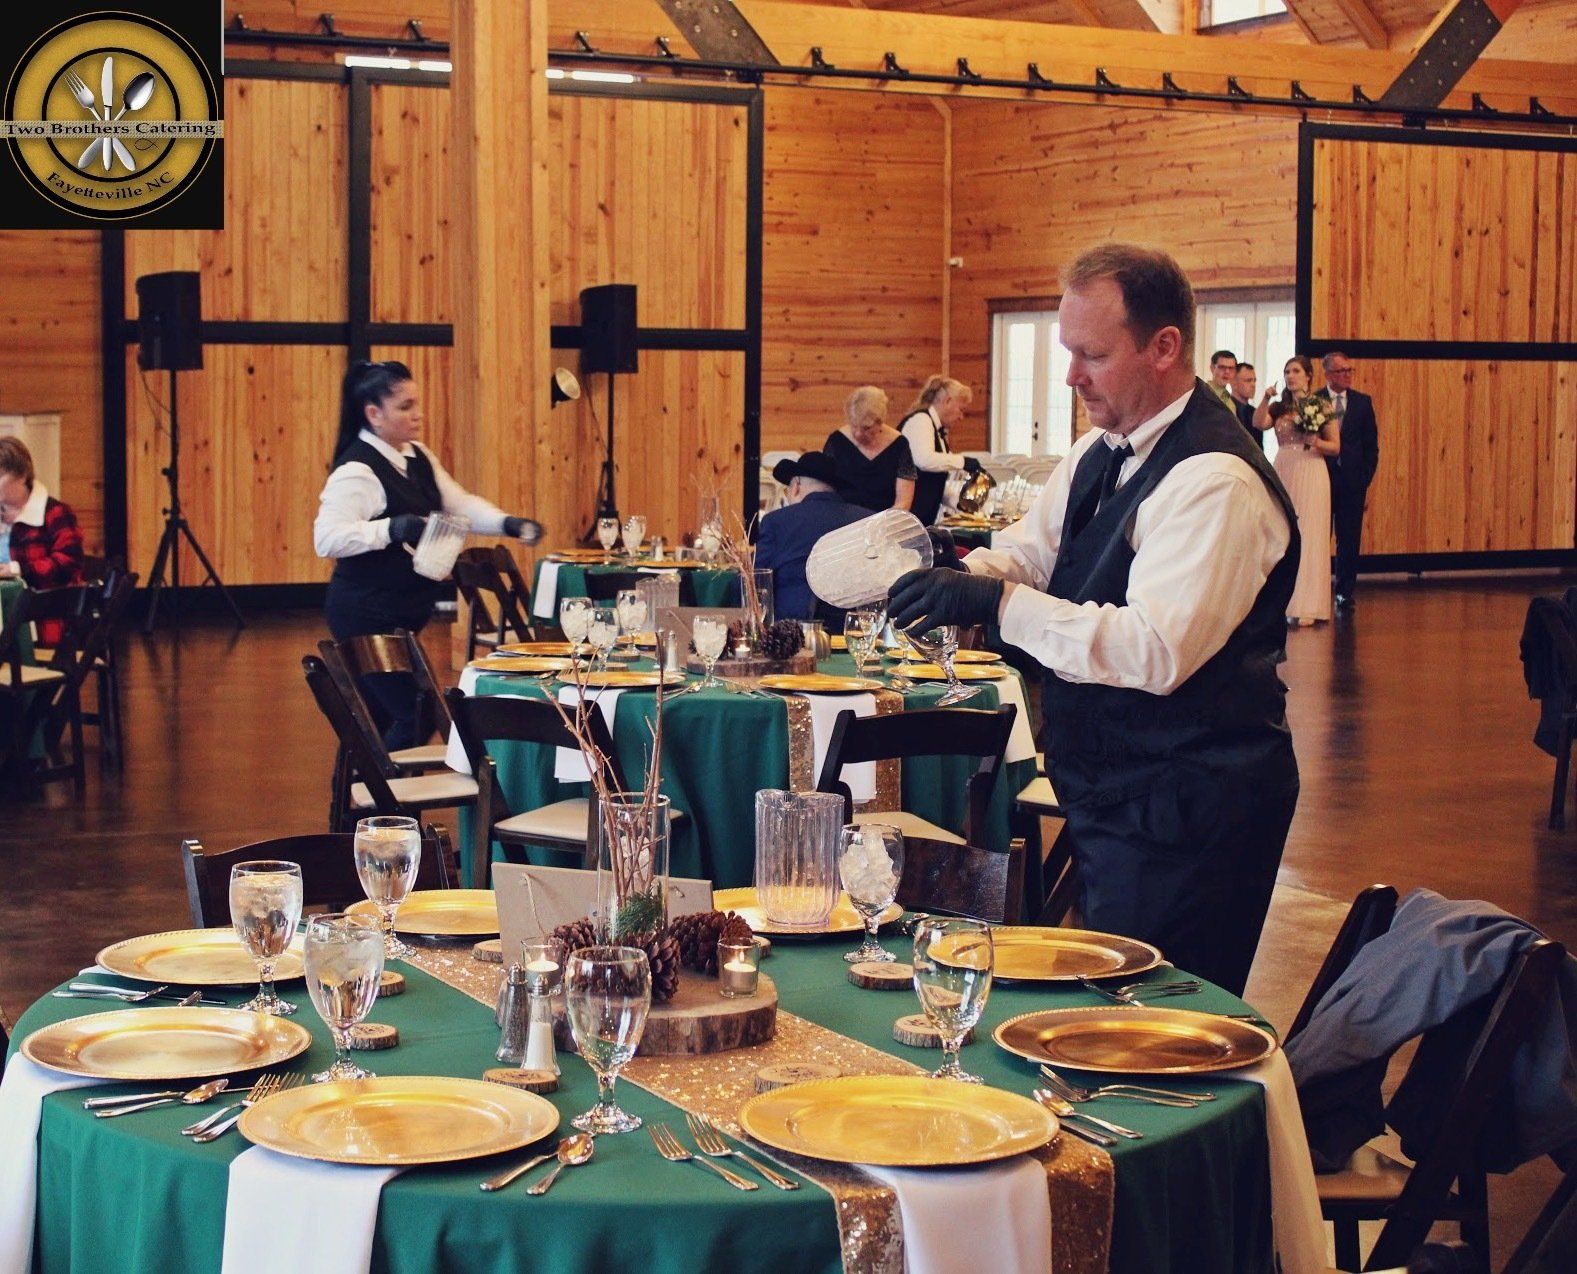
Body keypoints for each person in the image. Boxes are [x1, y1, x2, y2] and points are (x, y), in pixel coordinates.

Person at [885, 243, 1299, 995]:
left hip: (1194, 805)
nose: (1071, 376)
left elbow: (1155, 652)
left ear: (1164, 346)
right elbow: (1029, 552)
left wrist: (999, 607)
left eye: (1092, 355)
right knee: (1104, 1002)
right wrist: (963, 578)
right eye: (1066, 352)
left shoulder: (1216, 479)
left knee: (1155, 1030)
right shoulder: (1098, 453)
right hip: (1114, 787)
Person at [314, 359, 543, 749]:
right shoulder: (357, 471)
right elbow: (327, 539)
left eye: (416, 403)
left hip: (403, 612)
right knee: (417, 713)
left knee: (377, 720)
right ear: (374, 414)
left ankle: (364, 800)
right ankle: (386, 799)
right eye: (405, 407)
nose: (417, 415)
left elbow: (458, 504)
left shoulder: (417, 456)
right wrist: (392, 528)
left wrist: (506, 523)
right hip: (365, 612)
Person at [1255, 355, 1340, 627]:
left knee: (1311, 533)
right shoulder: (1280, 407)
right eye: (1287, 371)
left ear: (1307, 376)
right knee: (1283, 533)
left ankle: (1309, 604)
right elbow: (1259, 423)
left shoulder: (1320, 405)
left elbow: (1335, 446)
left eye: (1295, 371)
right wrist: (1266, 397)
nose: (1290, 376)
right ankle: (1284, 602)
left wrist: (1316, 441)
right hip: (1284, 466)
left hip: (1311, 468)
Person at [754, 451, 869, 627]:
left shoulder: (775, 521)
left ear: (796, 486)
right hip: (854, 630)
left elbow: (756, 581)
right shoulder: (866, 520)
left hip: (790, 633)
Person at [0, 436, 85, 645]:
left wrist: (18, 569)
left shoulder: (55, 513)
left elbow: (68, 562)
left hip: (43, 623)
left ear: (21, 476)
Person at [1318, 352, 1378, 611]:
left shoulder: (1362, 403)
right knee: (1320, 536)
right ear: (1328, 374)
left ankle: (1344, 591)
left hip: (1352, 481)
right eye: (1341, 371)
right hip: (1322, 478)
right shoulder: (1315, 401)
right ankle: (1317, 590)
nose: (1347, 375)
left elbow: (1371, 445)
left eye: (1349, 370)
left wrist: (1364, 476)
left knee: (1349, 538)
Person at [897, 376, 983, 526]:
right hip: (908, 518)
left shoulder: (937, 430)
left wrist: (959, 503)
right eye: (961, 410)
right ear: (947, 401)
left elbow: (934, 481)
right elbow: (924, 460)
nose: (961, 417)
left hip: (922, 518)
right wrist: (963, 461)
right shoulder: (921, 420)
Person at [823, 386, 916, 515]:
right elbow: (825, 490)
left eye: (866, 428)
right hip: (843, 523)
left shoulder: (899, 445)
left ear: (880, 422)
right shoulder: (836, 441)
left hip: (883, 524)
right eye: (853, 425)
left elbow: (903, 502)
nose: (857, 433)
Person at [1232, 362, 1265, 450]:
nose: (1253, 385)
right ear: (1234, 383)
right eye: (1248, 380)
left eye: (1254, 380)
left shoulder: (1255, 412)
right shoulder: (1225, 409)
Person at [1207, 349, 1238, 414]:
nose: (1227, 372)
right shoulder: (1204, 393)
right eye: (1222, 367)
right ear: (1212, 368)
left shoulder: (1228, 400)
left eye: (1231, 368)